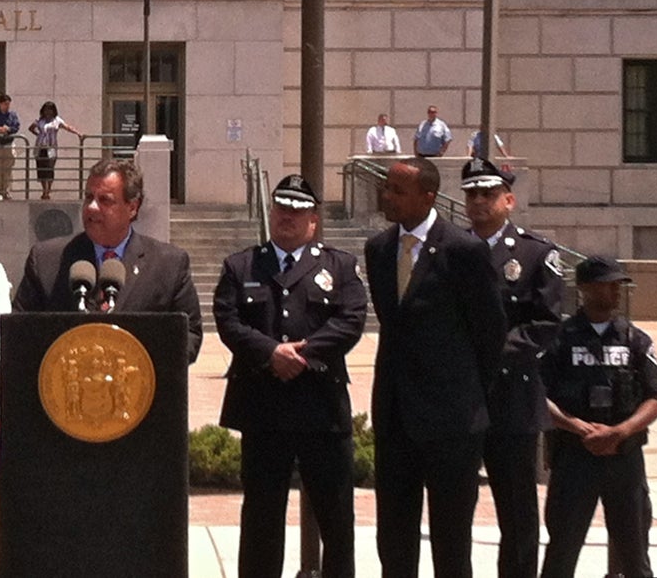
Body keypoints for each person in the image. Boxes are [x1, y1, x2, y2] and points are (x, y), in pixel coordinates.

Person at [215, 175, 367, 578]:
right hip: (264, 409)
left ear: (313, 220)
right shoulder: (241, 265)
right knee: (262, 519)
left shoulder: (340, 266)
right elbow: (228, 320)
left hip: (322, 409)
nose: (288, 216)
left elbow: (351, 320)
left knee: (336, 520)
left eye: (298, 210)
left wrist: (302, 354)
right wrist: (270, 353)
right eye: (282, 207)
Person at [363, 157, 505, 578]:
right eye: (386, 188)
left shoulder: (464, 250)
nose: (387, 196)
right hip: (396, 420)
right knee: (393, 538)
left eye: (397, 191)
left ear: (428, 196)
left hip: (453, 423)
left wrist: (468, 398)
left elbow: (490, 332)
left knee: (450, 541)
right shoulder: (379, 249)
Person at [460, 157, 563, 578]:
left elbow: (546, 323)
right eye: (472, 194)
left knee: (518, 511)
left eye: (488, 193)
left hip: (512, 399)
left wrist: (490, 351)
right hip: (461, 398)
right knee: (453, 511)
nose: (479, 201)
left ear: (509, 199)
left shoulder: (536, 254)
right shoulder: (450, 249)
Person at [540, 256, 657, 578]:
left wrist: (619, 432)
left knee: (634, 555)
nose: (616, 291)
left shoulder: (635, 339)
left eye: (618, 284)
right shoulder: (559, 339)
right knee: (561, 552)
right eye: (608, 285)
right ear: (585, 288)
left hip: (624, 459)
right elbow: (537, 394)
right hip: (574, 458)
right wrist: (575, 426)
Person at [13, 158, 203, 363]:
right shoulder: (46, 261)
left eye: (105, 200)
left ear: (132, 207)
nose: (92, 207)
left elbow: (189, 335)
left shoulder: (168, 265)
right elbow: (18, 331)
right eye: (88, 197)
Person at [28, 100, 82, 200]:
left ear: (53, 111)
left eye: (50, 110)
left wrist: (78, 133)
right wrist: (38, 135)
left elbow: (67, 127)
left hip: (51, 147)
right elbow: (31, 128)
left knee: (50, 168)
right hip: (40, 147)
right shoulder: (39, 120)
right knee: (41, 169)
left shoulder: (57, 120)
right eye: (46, 110)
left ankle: (48, 190)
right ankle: (44, 190)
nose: (48, 112)